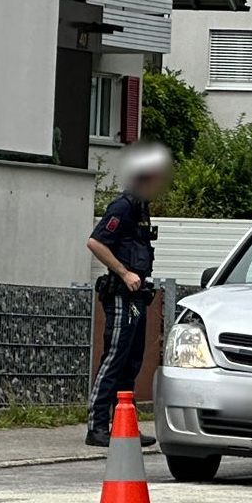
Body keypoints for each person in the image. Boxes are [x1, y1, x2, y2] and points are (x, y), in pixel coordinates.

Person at [86, 143, 171, 448]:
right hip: (122, 296)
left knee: (132, 360)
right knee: (115, 358)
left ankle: (125, 425)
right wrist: (123, 272)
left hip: (136, 300)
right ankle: (97, 425)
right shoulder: (122, 207)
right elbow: (95, 243)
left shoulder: (140, 208)